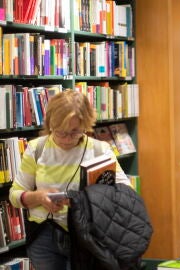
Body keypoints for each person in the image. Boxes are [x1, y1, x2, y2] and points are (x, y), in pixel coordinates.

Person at [9, 90, 132, 270]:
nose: (66, 140)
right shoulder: (37, 149)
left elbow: (127, 195)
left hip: (87, 237)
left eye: (75, 132)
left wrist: (85, 201)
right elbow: (14, 195)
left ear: (86, 125)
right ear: (51, 124)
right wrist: (39, 197)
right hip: (44, 237)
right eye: (60, 132)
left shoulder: (99, 150)